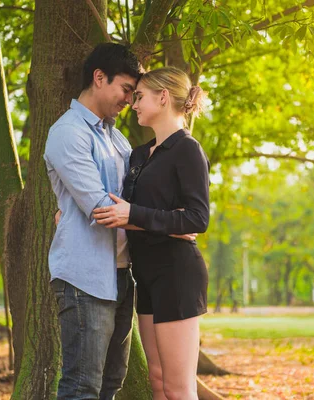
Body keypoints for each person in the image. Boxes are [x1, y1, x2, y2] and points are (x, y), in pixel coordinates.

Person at [93, 67, 210, 400]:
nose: (133, 103)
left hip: (176, 273)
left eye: (140, 96)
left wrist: (138, 215)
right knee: (157, 380)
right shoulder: (139, 155)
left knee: (178, 387)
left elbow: (197, 218)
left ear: (163, 97)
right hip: (144, 275)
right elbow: (123, 210)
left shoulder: (187, 149)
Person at [43, 43, 142, 400]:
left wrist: (143, 212)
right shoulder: (68, 133)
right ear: (100, 78)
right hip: (85, 279)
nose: (129, 100)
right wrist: (161, 220)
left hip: (120, 274)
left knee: (111, 383)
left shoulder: (116, 137)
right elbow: (103, 209)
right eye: (126, 90)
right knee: (82, 386)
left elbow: (137, 197)